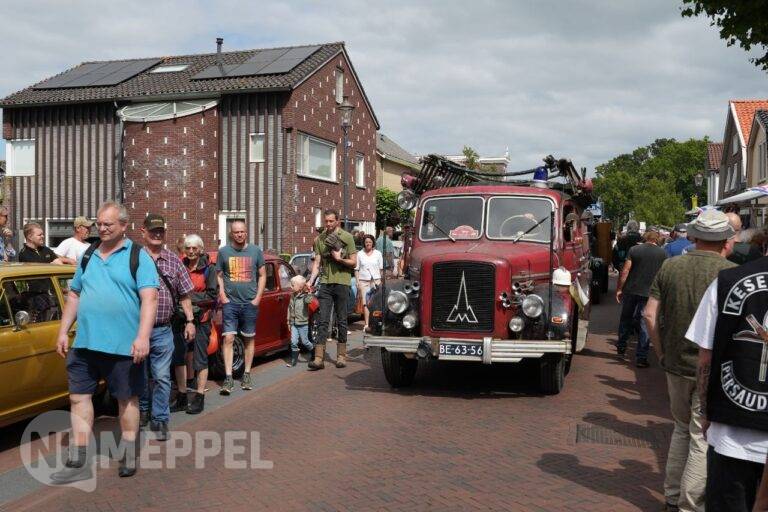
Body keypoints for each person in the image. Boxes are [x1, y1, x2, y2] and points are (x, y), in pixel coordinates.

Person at [52, 201, 159, 482]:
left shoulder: (138, 256)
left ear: (124, 225)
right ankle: (80, 448)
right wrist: (64, 331)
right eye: (99, 223)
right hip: (85, 343)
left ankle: (129, 451)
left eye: (108, 224)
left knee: (126, 399)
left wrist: (142, 336)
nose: (101, 228)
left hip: (123, 345)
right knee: (78, 397)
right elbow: (74, 295)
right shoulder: (88, 255)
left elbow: (150, 299)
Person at [643, 210, 736, 512]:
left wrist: (660, 352)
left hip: (675, 363)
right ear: (725, 239)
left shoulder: (670, 267)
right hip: (711, 367)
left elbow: (649, 314)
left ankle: (671, 496)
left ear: (694, 236)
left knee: (681, 429)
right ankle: (690, 505)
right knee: (700, 436)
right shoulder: (732, 273)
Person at [686, 254, 768, 511]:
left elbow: (705, 356)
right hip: (732, 434)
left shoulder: (727, 281)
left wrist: (707, 409)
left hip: (732, 431)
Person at [138, 214, 195, 440]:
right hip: (137, 328)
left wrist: (190, 320)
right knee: (140, 374)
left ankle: (160, 418)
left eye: (161, 230)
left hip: (163, 328)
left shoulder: (173, 260)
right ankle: (143, 408)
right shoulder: (134, 259)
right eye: (153, 230)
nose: (157, 234)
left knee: (162, 375)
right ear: (143, 231)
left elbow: (185, 294)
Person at [216, 220, 266, 395]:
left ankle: (246, 373)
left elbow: (262, 275)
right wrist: (223, 295)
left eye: (242, 232)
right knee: (228, 338)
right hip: (231, 303)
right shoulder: (223, 253)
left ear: (246, 232)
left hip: (250, 303)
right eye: (236, 232)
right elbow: (219, 275)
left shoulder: (255, 251)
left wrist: (257, 298)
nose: (239, 234)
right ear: (231, 233)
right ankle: (228, 377)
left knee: (248, 338)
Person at [308, 209, 357, 370]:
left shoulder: (347, 237)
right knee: (323, 320)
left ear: (337, 221)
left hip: (342, 282)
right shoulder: (320, 239)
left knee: (342, 319)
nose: (328, 224)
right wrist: (310, 280)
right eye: (326, 221)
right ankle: (318, 358)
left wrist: (339, 259)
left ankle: (341, 355)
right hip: (325, 282)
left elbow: (354, 262)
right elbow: (317, 263)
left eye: (331, 221)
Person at [616, 230, 666, 367]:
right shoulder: (663, 254)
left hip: (631, 289)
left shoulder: (634, 250)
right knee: (645, 323)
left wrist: (620, 288)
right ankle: (641, 357)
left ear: (645, 238)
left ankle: (621, 347)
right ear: (657, 239)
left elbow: (625, 270)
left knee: (626, 318)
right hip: (650, 292)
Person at [180, 234, 217, 414]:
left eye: (195, 248)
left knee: (200, 356)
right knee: (185, 353)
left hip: (202, 319)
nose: (192, 251)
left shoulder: (209, 269)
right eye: (188, 248)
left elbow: (212, 295)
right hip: (182, 318)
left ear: (200, 249)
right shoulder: (181, 266)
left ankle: (200, 396)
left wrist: (187, 298)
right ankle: (187, 388)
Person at [355, 234, 383, 332]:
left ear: (373, 243)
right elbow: (357, 269)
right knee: (366, 303)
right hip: (364, 281)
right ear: (364, 243)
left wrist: (381, 281)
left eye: (370, 242)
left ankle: (376, 323)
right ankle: (367, 324)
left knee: (376, 303)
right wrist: (357, 282)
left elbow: (381, 269)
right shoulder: (359, 254)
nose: (368, 244)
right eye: (366, 242)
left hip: (376, 281)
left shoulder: (378, 253)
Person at [286, 275, 314, 367]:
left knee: (305, 341)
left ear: (300, 287)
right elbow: (289, 309)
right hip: (294, 323)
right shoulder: (292, 296)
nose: (291, 286)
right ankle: (293, 360)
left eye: (293, 285)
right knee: (293, 342)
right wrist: (288, 321)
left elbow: (309, 301)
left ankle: (314, 351)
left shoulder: (305, 296)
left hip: (303, 323)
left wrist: (309, 292)